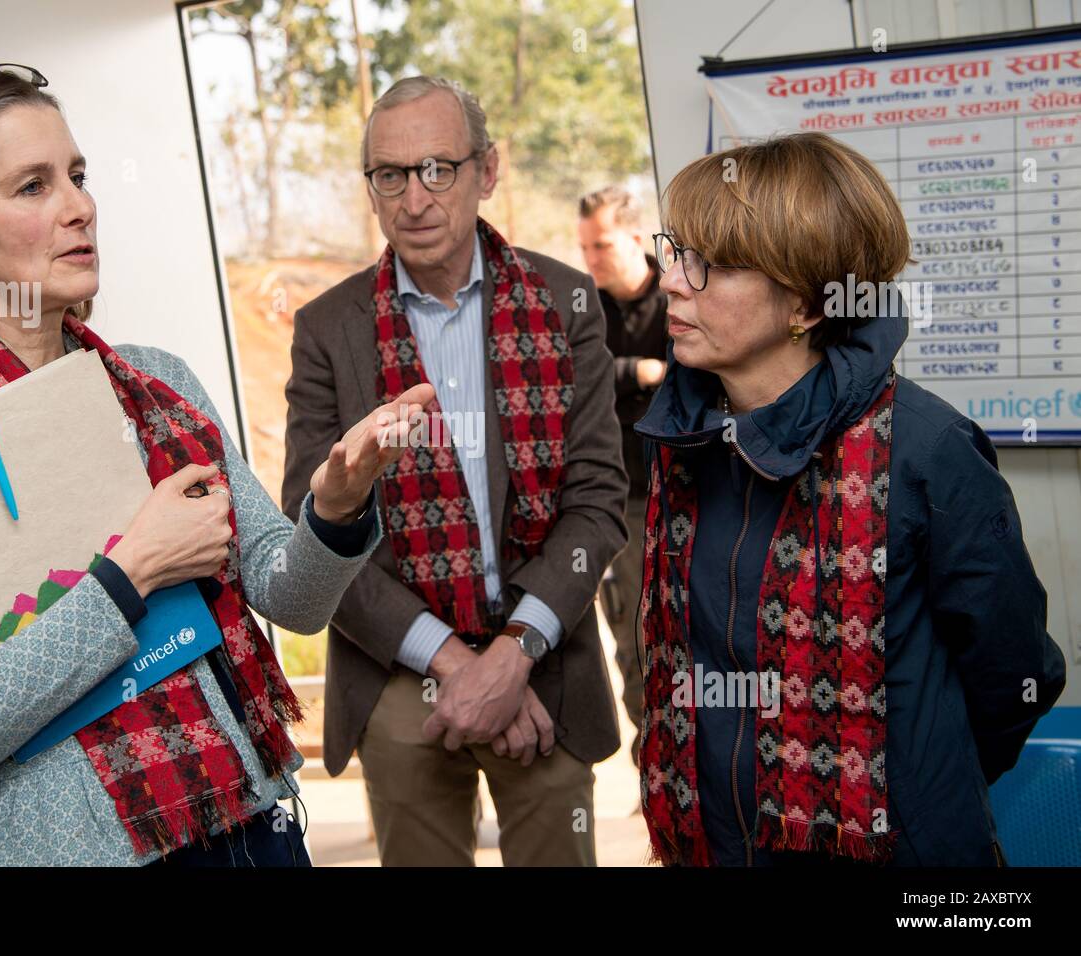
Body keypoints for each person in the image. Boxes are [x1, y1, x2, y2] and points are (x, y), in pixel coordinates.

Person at [0, 63, 433, 867]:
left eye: (78, 176)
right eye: (31, 187)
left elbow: (288, 597)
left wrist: (337, 507)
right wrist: (128, 579)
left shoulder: (160, 385)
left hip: (254, 828)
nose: (80, 205)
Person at [634, 131, 1067, 866]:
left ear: (803, 301)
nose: (673, 280)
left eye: (709, 265)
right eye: (674, 251)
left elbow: (1017, 677)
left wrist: (918, 797)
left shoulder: (926, 448)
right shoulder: (682, 438)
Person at [281, 75, 627, 866]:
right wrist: (456, 665)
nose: (415, 198)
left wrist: (512, 657)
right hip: (400, 674)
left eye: (439, 168)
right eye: (391, 175)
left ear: (487, 170)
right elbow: (315, 521)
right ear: (371, 186)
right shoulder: (328, 328)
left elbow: (599, 501)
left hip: (542, 661)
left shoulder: (567, 302)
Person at [577, 185, 668, 761]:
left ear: (637, 237)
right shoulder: (581, 306)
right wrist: (639, 372)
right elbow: (568, 374)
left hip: (695, 497)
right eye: (583, 246)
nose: (590, 259)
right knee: (635, 639)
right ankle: (655, 758)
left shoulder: (686, 292)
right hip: (620, 504)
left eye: (602, 245)